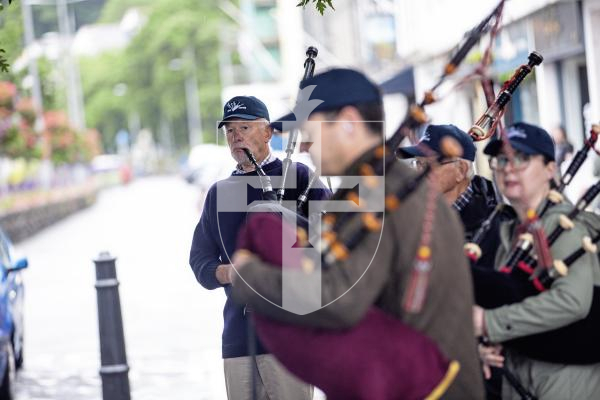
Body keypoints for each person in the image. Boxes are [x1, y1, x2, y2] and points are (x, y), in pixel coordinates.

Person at [229, 69, 485, 399]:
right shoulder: (384, 183)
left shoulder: (372, 191)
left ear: (349, 121)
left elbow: (337, 299)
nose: (304, 146)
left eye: (309, 131)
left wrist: (249, 275)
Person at [188, 95, 329, 400]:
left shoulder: (301, 177)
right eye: (229, 131)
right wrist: (226, 273)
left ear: (267, 133)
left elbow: (336, 240)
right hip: (239, 336)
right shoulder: (218, 193)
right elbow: (199, 260)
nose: (236, 136)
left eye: (244, 128)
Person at [473, 122, 600, 400]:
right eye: (502, 159)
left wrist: (488, 322)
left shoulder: (566, 226)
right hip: (522, 379)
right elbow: (516, 303)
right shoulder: (509, 230)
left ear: (550, 169)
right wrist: (488, 343)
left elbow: (572, 302)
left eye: (522, 158)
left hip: (564, 382)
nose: (509, 168)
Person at [397, 124, 515, 269]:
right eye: (418, 163)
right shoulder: (412, 215)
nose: (420, 173)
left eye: (429, 165)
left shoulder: (497, 226)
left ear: (460, 170)